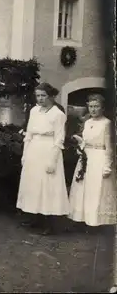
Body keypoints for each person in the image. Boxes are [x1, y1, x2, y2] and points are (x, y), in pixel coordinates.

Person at [17, 82, 69, 235]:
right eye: (38, 96)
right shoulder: (34, 111)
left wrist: (52, 161)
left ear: (51, 96)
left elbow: (59, 139)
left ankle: (49, 223)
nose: (40, 99)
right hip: (34, 149)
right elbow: (29, 134)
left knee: (47, 186)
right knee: (33, 184)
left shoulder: (58, 114)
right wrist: (25, 155)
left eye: (43, 96)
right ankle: (35, 218)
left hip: (48, 150)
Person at [68, 94, 116, 227]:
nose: (93, 110)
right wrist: (80, 145)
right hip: (86, 158)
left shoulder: (107, 123)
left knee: (96, 189)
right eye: (91, 106)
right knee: (84, 188)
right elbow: (86, 141)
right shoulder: (87, 122)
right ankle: (84, 219)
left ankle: (96, 220)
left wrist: (107, 166)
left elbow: (109, 147)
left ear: (102, 108)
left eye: (96, 106)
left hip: (99, 158)